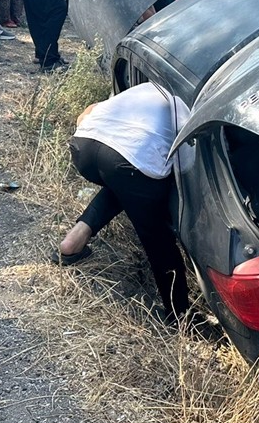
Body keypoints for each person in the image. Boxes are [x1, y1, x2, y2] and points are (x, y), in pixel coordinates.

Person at [56, 83, 191, 321]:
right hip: (126, 163)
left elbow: (89, 111)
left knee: (124, 184)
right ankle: (179, 315)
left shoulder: (148, 87)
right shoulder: (185, 107)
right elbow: (189, 166)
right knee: (157, 239)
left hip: (83, 147)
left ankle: (73, 240)